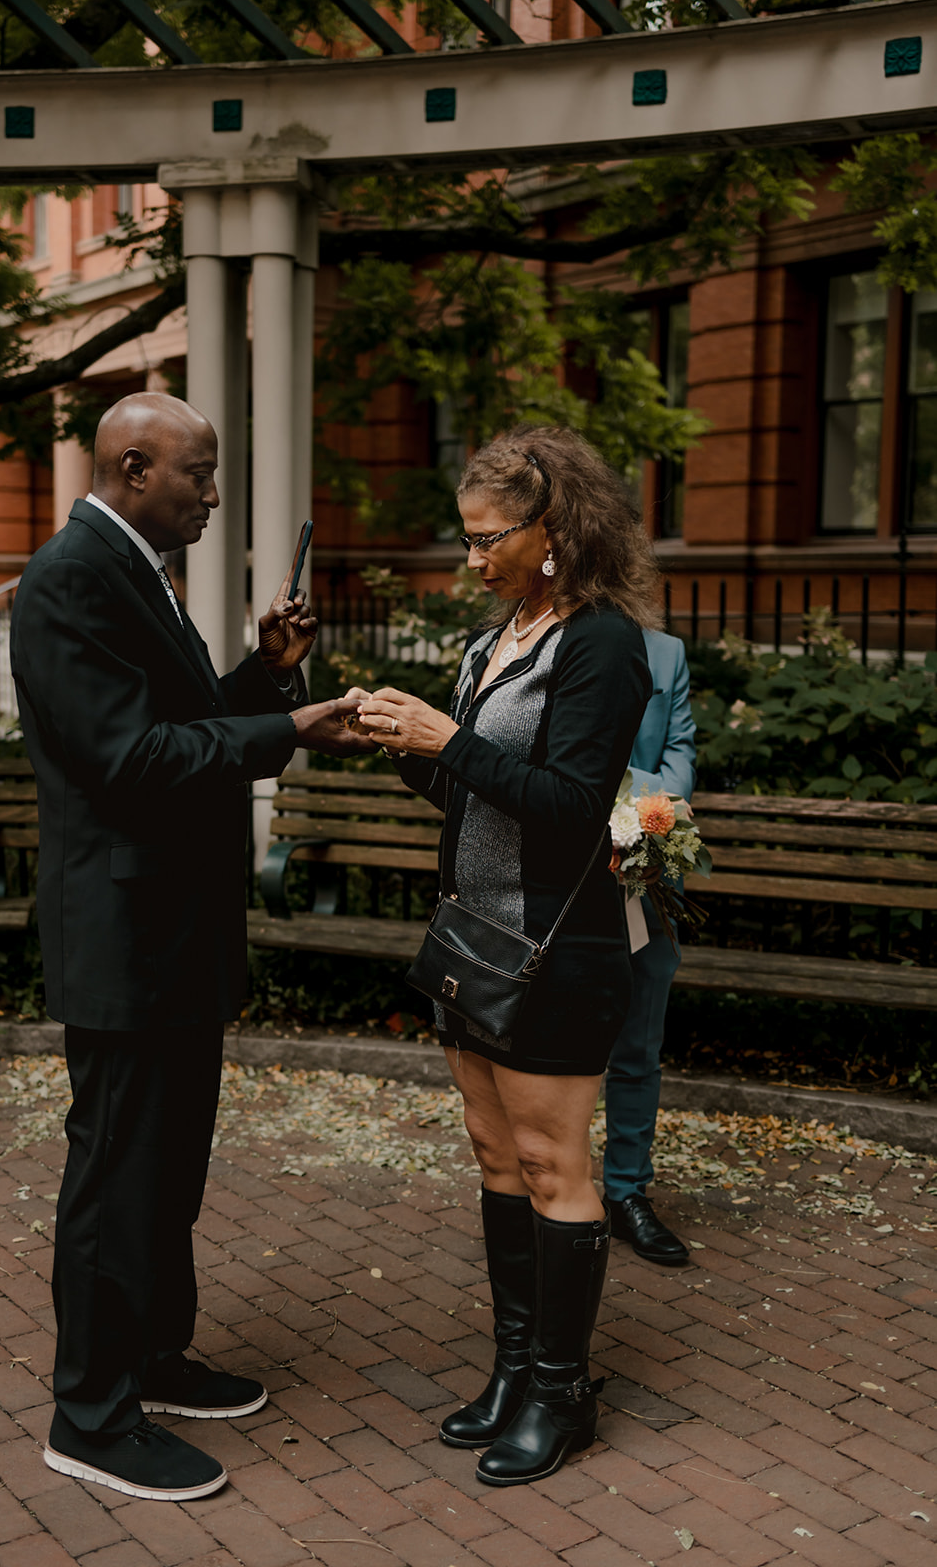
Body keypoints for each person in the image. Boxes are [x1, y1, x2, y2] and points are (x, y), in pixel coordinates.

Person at [10, 392, 372, 1503]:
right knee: (117, 1175)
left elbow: (179, 722)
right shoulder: (71, 577)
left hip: (171, 930)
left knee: (166, 1173)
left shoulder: (134, 572)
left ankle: (153, 1359)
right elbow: (129, 761)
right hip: (123, 938)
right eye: (199, 475)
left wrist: (264, 675)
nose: (214, 495)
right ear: (132, 468)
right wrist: (288, 726)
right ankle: (91, 1415)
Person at [356, 426, 659, 1486]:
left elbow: (576, 812)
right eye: (467, 537)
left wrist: (450, 739)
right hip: (474, 938)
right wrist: (407, 748)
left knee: (550, 1164)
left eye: (490, 539)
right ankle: (512, 1370)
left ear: (555, 528)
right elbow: (469, 789)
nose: (472, 559)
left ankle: (561, 1393)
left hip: (556, 949)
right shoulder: (496, 641)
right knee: (495, 1161)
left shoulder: (602, 643)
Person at [604, 629, 696, 1265]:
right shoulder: (534, 642)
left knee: (639, 1046)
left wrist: (629, 806)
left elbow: (681, 756)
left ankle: (626, 1193)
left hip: (650, 871)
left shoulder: (666, 653)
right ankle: (544, 1190)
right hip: (562, 875)